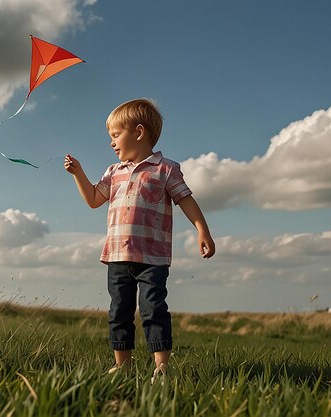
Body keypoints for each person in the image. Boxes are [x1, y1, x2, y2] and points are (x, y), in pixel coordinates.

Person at [64, 98, 215, 383]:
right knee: (119, 311)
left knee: (153, 309)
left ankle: (161, 367)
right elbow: (94, 200)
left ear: (139, 132)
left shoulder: (165, 169)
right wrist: (78, 173)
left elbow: (186, 199)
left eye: (115, 135)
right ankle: (122, 365)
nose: (111, 143)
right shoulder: (113, 172)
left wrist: (202, 230)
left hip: (152, 258)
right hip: (117, 256)